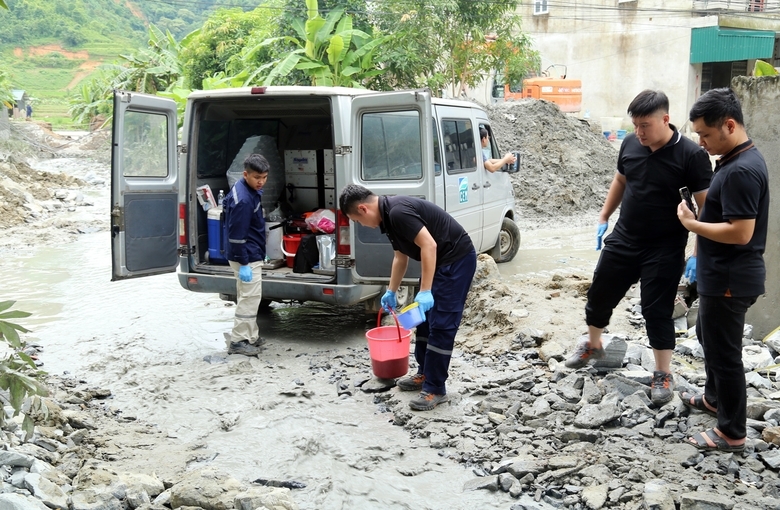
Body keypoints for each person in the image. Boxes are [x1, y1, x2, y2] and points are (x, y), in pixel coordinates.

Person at [564, 89, 713, 407]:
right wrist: (604, 216)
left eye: (645, 125)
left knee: (656, 310)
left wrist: (698, 253)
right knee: (600, 293)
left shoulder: (691, 156)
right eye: (635, 125)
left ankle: (663, 374)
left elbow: (707, 208)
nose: (639, 132)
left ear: (665, 119)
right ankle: (594, 345)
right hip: (625, 237)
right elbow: (621, 180)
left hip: (665, 245)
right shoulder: (632, 143)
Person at [677, 88, 768, 453]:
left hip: (732, 278)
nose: (701, 142)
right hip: (720, 274)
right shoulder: (732, 161)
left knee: (725, 354)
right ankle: (714, 398)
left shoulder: (741, 170)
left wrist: (692, 226)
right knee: (706, 336)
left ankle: (732, 432)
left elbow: (741, 232)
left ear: (729, 125)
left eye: (705, 134)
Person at [339, 184, 477, 411]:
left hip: (457, 261)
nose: (360, 225)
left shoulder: (398, 212)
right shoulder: (388, 219)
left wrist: (424, 291)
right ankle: (424, 373)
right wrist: (391, 290)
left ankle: (435, 389)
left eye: (356, 220)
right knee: (423, 320)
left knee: (442, 325)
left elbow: (429, 245)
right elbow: (400, 258)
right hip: (441, 262)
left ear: (363, 209)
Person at [223, 153, 270, 357]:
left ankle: (251, 337)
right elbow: (237, 236)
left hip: (250, 253)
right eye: (257, 177)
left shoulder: (245, 190)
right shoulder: (243, 200)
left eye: (264, 177)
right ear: (245, 174)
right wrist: (243, 263)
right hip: (246, 256)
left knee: (251, 297)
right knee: (249, 299)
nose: (261, 182)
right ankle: (238, 341)